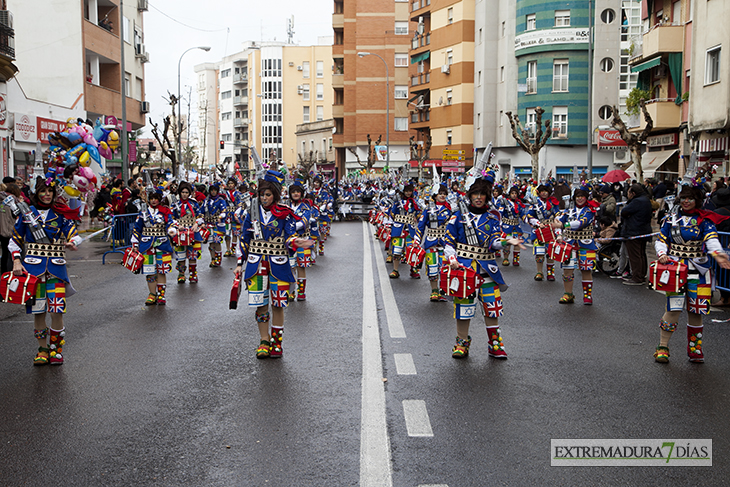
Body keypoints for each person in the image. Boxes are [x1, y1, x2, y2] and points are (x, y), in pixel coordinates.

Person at [443, 171, 525, 359]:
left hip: (487, 268)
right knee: (463, 308)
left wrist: (507, 242)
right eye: (475, 194)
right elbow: (448, 241)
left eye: (482, 195)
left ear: (487, 197)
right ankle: (462, 343)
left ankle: (494, 344)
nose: (478, 198)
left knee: (492, 306)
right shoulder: (457, 217)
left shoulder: (493, 218)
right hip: (464, 270)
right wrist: (452, 258)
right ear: (469, 195)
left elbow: (494, 242)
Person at [234, 171, 314, 359]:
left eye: (268, 195)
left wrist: (295, 242)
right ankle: (264, 340)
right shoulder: (251, 213)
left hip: (279, 264)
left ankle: (277, 343)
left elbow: (290, 235)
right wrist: (239, 262)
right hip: (256, 264)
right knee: (260, 305)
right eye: (262, 194)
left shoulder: (285, 214)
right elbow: (244, 239)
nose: (264, 198)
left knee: (278, 304)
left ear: (275, 195)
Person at [653, 185, 730, 363]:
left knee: (697, 310)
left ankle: (695, 349)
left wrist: (719, 255)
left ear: (697, 201)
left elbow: (711, 240)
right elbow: (662, 240)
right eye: (684, 198)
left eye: (690, 198)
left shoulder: (705, 221)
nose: (686, 201)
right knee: (673, 308)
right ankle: (663, 347)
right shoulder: (671, 219)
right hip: (676, 271)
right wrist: (662, 254)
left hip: (700, 272)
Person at [9, 177, 81, 365]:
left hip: (56, 270)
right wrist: (16, 261)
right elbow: (15, 240)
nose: (47, 194)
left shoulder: (60, 215)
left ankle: (56, 349)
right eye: (43, 191)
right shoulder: (27, 214)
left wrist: (73, 242)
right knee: (39, 311)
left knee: (57, 311)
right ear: (37, 192)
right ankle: (42, 349)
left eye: (50, 191)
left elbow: (74, 233)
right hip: (34, 271)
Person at [551, 187, 598, 305]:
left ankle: (587, 295)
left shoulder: (590, 211)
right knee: (567, 269)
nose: (580, 199)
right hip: (569, 244)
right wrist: (559, 234)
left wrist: (564, 224)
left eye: (582, 196)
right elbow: (558, 224)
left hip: (586, 243)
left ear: (586, 197)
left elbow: (582, 222)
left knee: (586, 269)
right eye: (578, 196)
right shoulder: (568, 211)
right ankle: (568, 294)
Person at [130, 191, 175, 305]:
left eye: (156, 198)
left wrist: (172, 230)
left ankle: (161, 295)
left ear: (160, 199)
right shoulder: (143, 213)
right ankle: (152, 294)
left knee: (162, 270)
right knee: (150, 271)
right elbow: (137, 229)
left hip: (162, 245)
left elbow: (170, 223)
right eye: (152, 198)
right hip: (147, 246)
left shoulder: (165, 211)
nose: (154, 200)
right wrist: (135, 244)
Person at [413, 184, 452, 301]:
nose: (442, 196)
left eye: (444, 194)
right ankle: (434, 291)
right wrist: (417, 240)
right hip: (431, 241)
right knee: (433, 267)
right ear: (435, 195)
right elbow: (421, 226)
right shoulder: (428, 209)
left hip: (445, 243)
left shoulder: (450, 209)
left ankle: (443, 290)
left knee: (444, 268)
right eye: (440, 193)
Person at [288, 180, 318, 301]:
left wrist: (289, 226)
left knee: (301, 267)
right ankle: (291, 291)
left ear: (301, 193)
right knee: (290, 267)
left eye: (298, 192)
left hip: (303, 240)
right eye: (293, 192)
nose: (295, 194)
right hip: (289, 242)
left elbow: (304, 222)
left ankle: (301, 292)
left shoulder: (306, 207)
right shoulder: (285, 206)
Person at [620, 184, 654, 286]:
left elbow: (624, 211)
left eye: (629, 192)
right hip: (644, 230)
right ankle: (642, 275)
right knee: (641, 254)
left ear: (633, 193)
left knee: (635, 256)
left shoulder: (637, 201)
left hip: (634, 230)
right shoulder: (646, 199)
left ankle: (637, 277)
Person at [171, 182, 204, 284]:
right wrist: (177, 225)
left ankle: (193, 274)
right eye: (182, 192)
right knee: (181, 254)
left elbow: (200, 216)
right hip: (180, 231)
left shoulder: (194, 203)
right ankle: (181, 274)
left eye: (186, 192)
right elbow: (171, 218)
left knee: (192, 254)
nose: (184, 194)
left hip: (192, 231)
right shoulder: (175, 204)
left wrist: (196, 224)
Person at [526, 184, 559, 281]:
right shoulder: (535, 203)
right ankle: (539, 272)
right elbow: (529, 215)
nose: (544, 193)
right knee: (539, 253)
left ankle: (550, 273)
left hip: (550, 230)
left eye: (546, 191)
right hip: (539, 230)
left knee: (550, 253)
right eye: (542, 191)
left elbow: (557, 214)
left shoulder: (553, 202)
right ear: (539, 192)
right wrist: (537, 223)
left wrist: (557, 221)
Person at [388, 183, 421, 279]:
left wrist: (416, 217)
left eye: (410, 191)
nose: (408, 193)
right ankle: (395, 270)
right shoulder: (398, 202)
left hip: (410, 228)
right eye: (406, 191)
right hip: (399, 227)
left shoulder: (414, 202)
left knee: (412, 250)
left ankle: (413, 269)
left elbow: (419, 212)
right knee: (397, 250)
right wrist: (395, 221)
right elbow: (392, 213)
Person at [498, 186, 526, 266]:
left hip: (516, 226)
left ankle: (516, 259)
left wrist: (527, 220)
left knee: (517, 243)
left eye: (515, 194)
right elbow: (500, 214)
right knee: (507, 243)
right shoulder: (505, 202)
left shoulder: (519, 203)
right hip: (507, 225)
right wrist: (499, 225)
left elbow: (522, 213)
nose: (514, 195)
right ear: (509, 194)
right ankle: (506, 258)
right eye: (512, 193)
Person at [201, 183, 228, 267]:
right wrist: (202, 221)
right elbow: (201, 211)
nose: (213, 192)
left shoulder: (220, 200)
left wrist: (220, 216)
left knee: (217, 241)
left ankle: (218, 260)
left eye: (215, 190)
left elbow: (224, 210)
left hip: (217, 224)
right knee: (211, 243)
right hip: (208, 224)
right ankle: (212, 259)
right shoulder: (207, 200)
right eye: (211, 190)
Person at [223, 178, 242, 257]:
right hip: (227, 215)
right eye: (229, 183)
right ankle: (227, 249)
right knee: (227, 233)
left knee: (235, 233)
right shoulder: (224, 194)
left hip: (235, 215)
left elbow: (240, 204)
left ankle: (233, 249)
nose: (230, 185)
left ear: (235, 184)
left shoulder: (238, 194)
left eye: (232, 183)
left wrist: (238, 213)